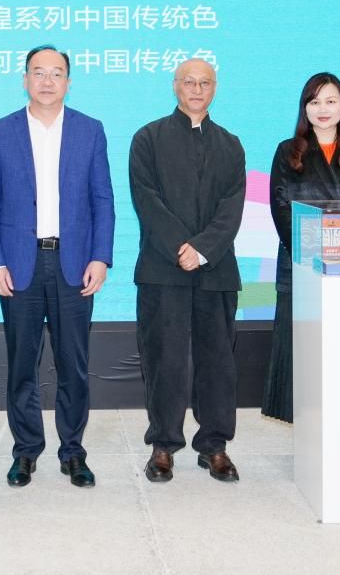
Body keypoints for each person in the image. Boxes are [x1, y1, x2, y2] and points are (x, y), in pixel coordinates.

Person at [0, 45, 115, 489]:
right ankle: (25, 451)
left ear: (68, 83)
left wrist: (101, 256)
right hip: (20, 264)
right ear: (25, 79)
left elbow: (103, 200)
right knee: (22, 363)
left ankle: (73, 452)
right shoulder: (1, 131)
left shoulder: (90, 130)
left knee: (73, 364)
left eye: (57, 73)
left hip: (74, 263)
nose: (47, 81)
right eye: (38, 72)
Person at [129, 58, 246, 483]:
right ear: (175, 86)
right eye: (189, 82)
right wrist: (182, 247)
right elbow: (147, 200)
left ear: (215, 88)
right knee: (165, 360)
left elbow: (232, 207)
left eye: (205, 83)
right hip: (163, 269)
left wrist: (203, 249)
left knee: (218, 362)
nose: (197, 89)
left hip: (216, 270)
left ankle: (214, 446)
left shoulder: (231, 144)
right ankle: (163, 445)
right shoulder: (148, 138)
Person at [264, 72, 340, 423]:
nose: (323, 109)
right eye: (314, 102)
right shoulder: (288, 151)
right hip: (300, 265)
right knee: (300, 350)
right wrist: (310, 251)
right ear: (305, 109)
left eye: (331, 101)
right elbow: (280, 206)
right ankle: (304, 422)